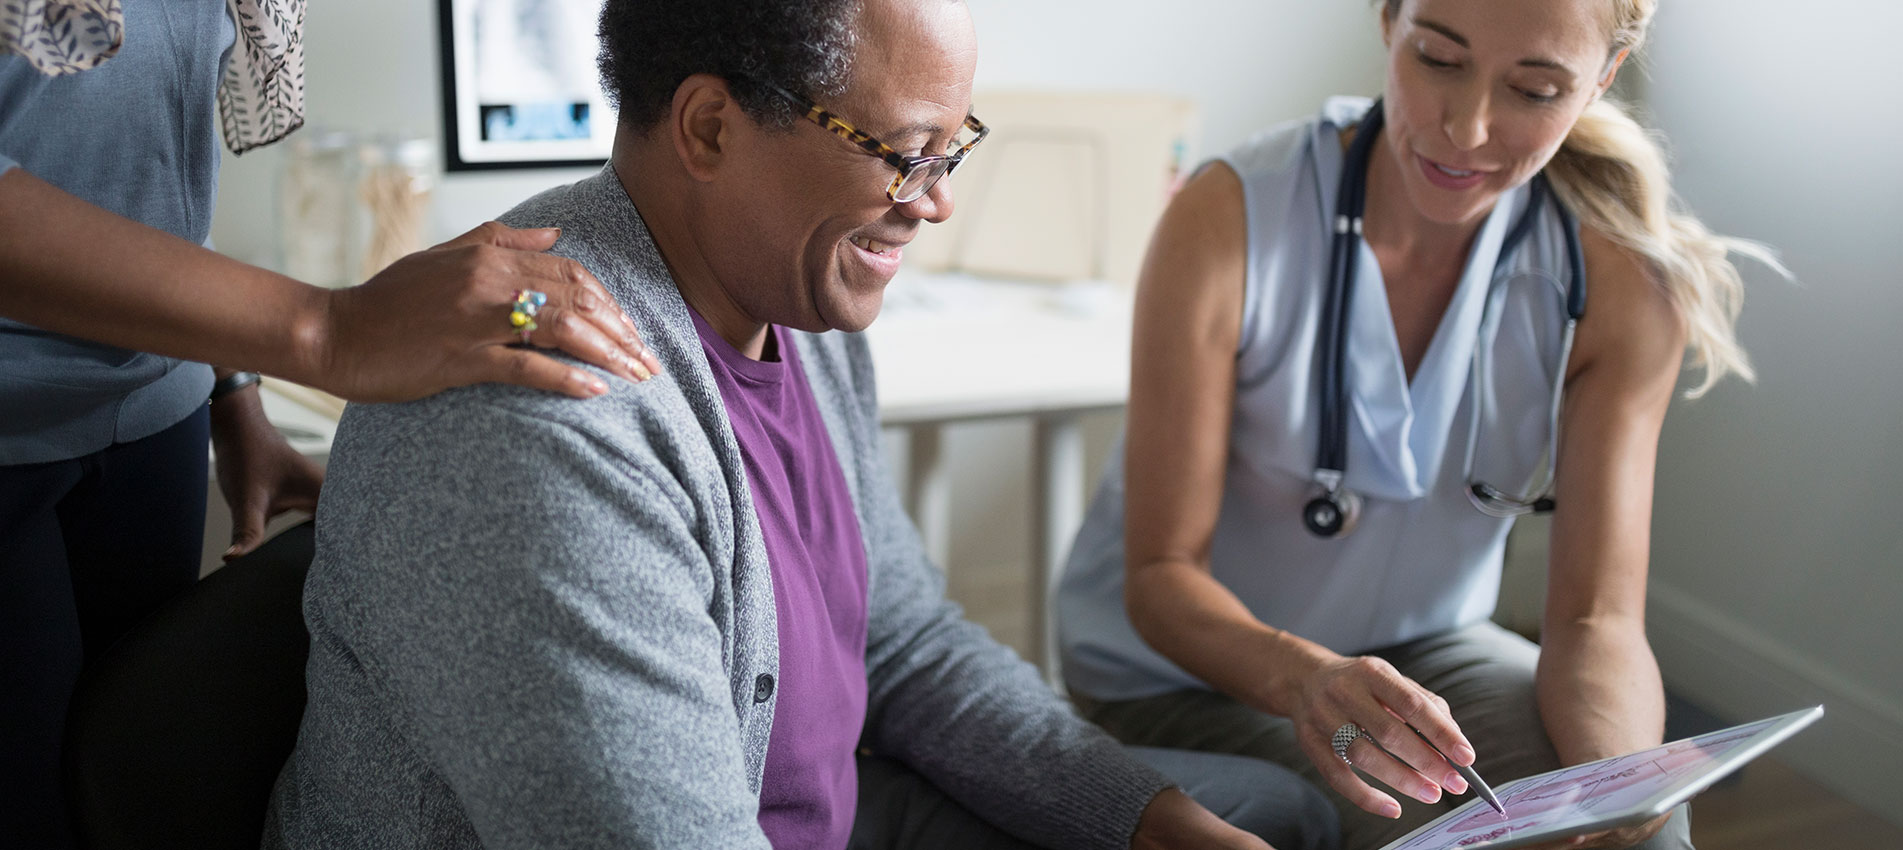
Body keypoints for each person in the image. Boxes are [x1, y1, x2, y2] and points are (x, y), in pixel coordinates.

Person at [260, 0, 1350, 848]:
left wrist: (1136, 815)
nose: (934, 201)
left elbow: (906, 642)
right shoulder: (544, 412)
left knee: (1271, 816)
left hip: (828, 813)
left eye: (951, 146)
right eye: (901, 151)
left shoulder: (799, 305)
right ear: (710, 127)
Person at [1053, 2, 1782, 849]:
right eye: (1438, 59)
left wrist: (1609, 794)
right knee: (1435, 829)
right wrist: (1307, 680)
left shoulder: (1617, 283)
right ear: (1388, 23)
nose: (1466, 128)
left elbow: (1594, 621)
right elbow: (1158, 576)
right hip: (1183, 678)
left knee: (1642, 827)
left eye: (1534, 89)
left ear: (1601, 80)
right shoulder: (1228, 218)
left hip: (1433, 657)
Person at [0, 2, 657, 847]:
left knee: (138, 784)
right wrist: (326, 330)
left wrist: (226, 383)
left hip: (149, 417)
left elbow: (136, 146)